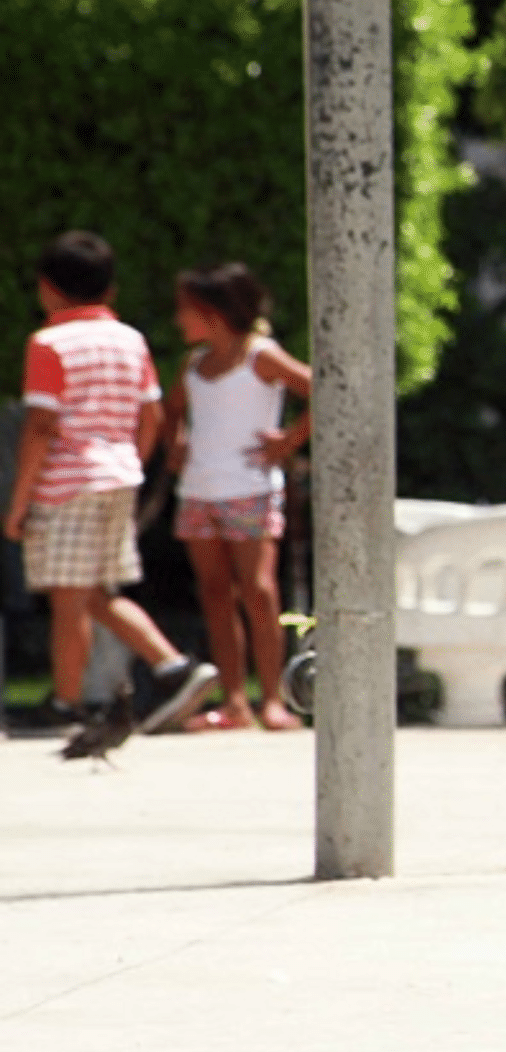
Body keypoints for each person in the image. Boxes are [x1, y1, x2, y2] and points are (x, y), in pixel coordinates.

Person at [5, 232, 219, 734]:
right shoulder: (130, 339)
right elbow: (152, 415)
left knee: (67, 598)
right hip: (118, 480)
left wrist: (18, 503)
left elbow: (40, 427)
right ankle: (173, 669)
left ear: (49, 289)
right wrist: (130, 463)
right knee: (92, 591)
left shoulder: (49, 343)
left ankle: (66, 703)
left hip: (66, 484)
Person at [164, 263, 311, 732]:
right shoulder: (193, 366)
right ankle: (234, 702)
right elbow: (171, 409)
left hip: (249, 489)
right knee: (214, 594)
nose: (178, 320)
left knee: (259, 591)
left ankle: (272, 699)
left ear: (212, 313)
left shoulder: (260, 357)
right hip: (200, 492)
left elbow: (318, 388)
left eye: (186, 311)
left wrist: (288, 441)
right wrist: (176, 446)